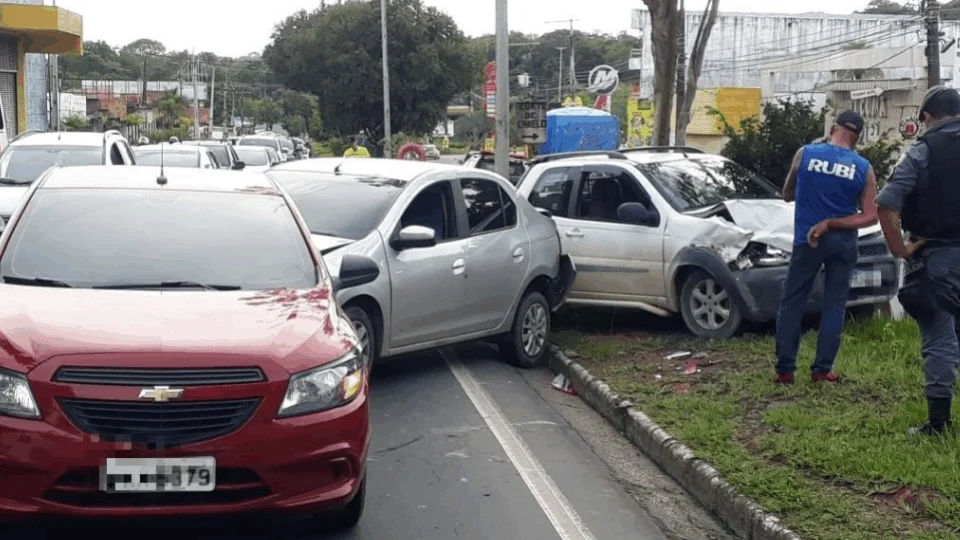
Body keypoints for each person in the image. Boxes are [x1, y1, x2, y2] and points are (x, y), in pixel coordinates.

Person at [876, 85, 960, 436]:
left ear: (926, 115)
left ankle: (938, 424)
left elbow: (886, 203)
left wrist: (899, 248)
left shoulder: (924, 151)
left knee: (940, 337)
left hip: (937, 257)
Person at [774, 110, 879, 385]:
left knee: (792, 302)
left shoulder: (805, 154)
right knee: (835, 304)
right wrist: (834, 222)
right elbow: (870, 216)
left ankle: (785, 370)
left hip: (807, 240)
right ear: (857, 137)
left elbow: (786, 194)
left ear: (833, 129)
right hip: (843, 243)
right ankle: (822, 370)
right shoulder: (864, 168)